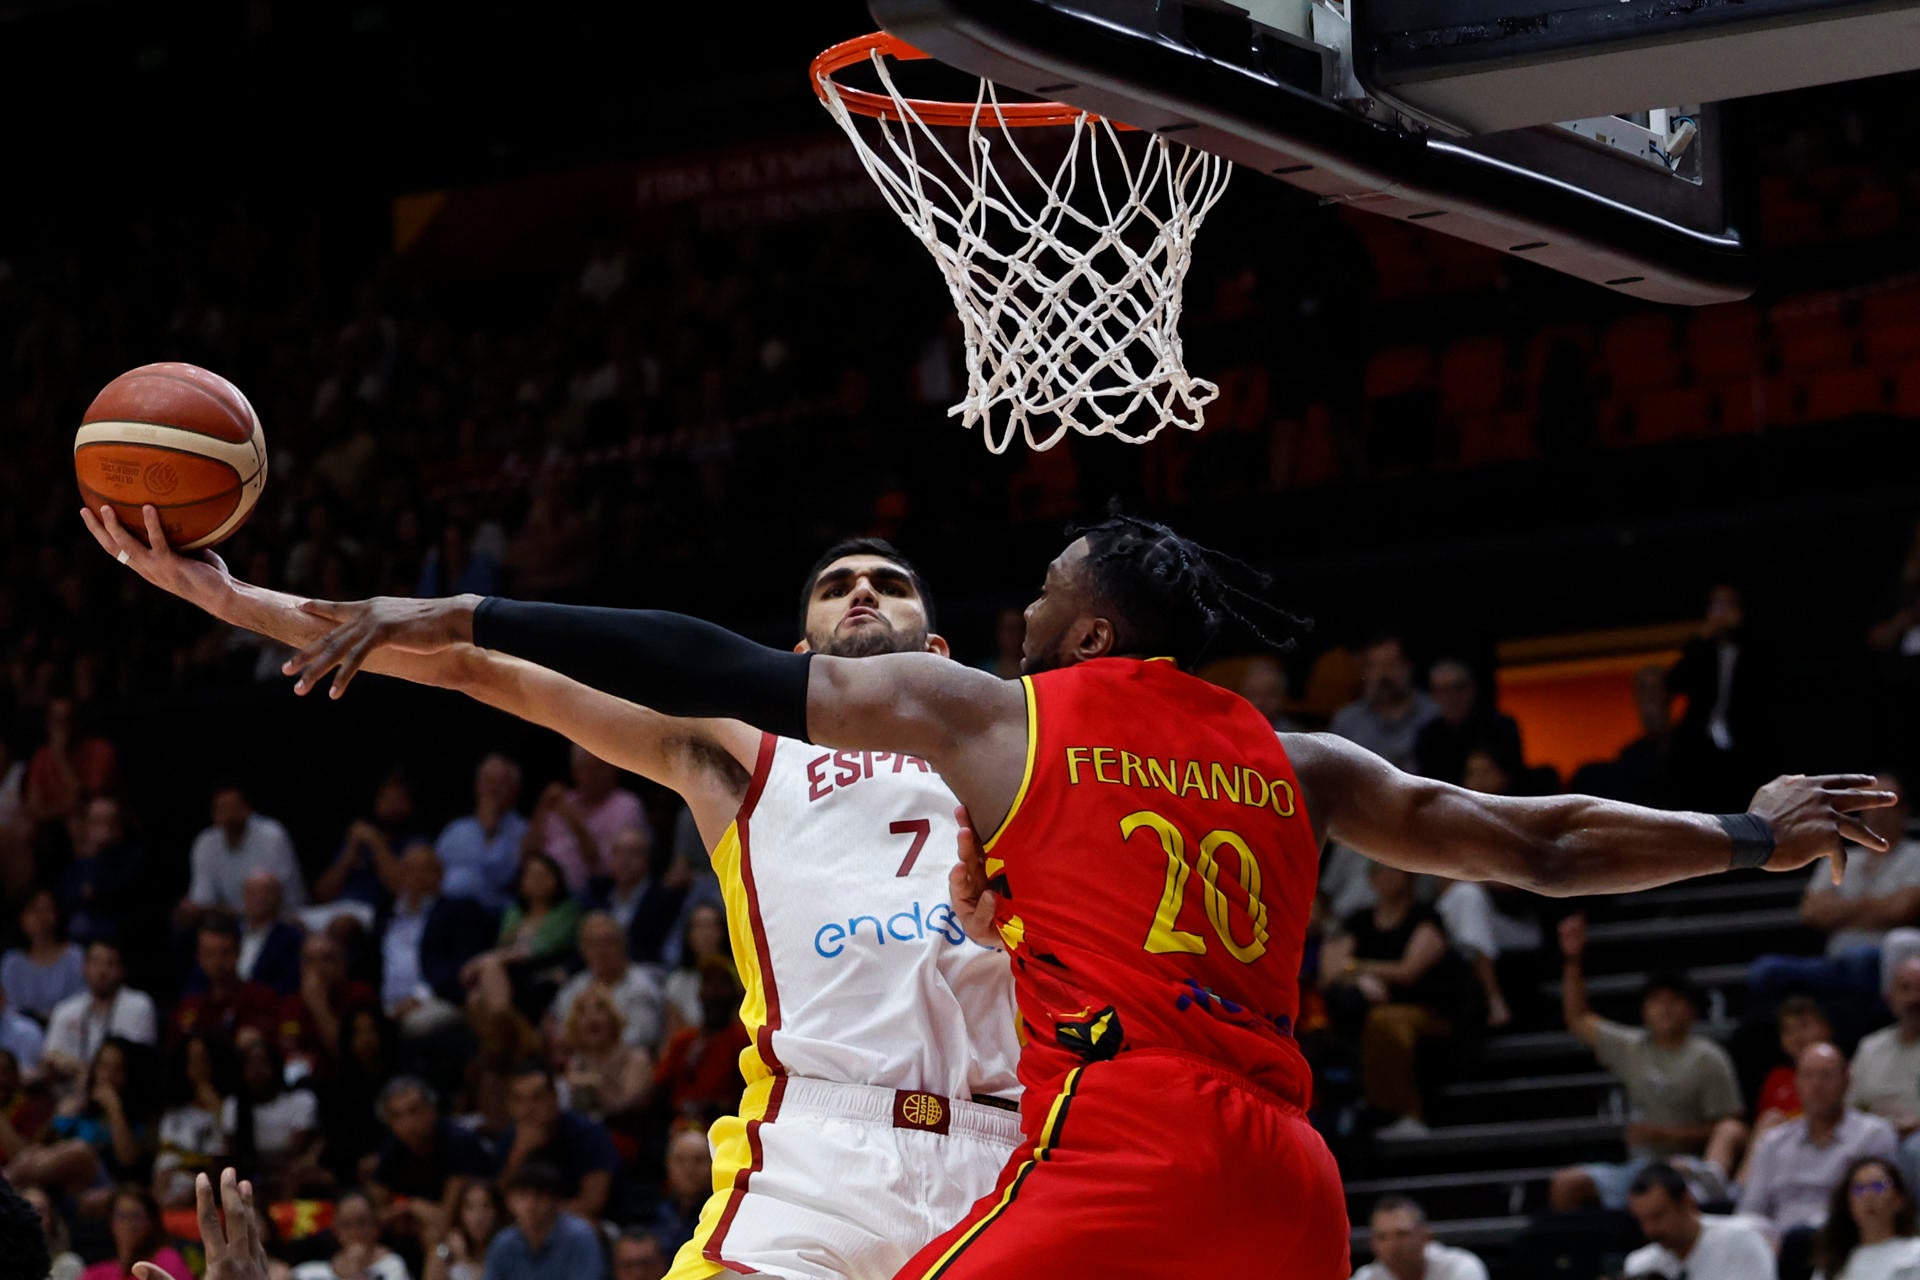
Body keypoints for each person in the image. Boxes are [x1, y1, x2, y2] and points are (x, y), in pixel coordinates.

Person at [274, 510, 1893, 1277]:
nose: (1021, 615)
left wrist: (457, 599)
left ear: (1089, 623)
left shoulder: (1011, 717)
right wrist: (1745, 837)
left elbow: (705, 664)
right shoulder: (1293, 751)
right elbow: (1534, 842)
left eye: (1040, 597)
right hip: (1293, 1176)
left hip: (1125, 1141)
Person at [90, 515, 1026, 1280]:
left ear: (940, 649)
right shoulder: (742, 752)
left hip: (1013, 1150)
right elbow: (478, 667)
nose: (862, 590)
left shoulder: (1018, 756)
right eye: (837, 587)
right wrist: (232, 600)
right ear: (795, 653)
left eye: (889, 584)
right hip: (821, 1152)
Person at [1549, 913, 1744, 1211]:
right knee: (1567, 1184)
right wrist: (1573, 959)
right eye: (1656, 1001)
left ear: (1691, 1010)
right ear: (1644, 1010)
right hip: (1639, 1166)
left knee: (1668, 1188)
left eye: (1673, 1001)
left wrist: (1668, 1135)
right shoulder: (1632, 1046)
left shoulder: (1708, 1058)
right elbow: (1578, 1019)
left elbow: (1732, 1128)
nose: (1664, 1009)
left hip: (1684, 1165)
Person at [1754, 772, 1920, 1040]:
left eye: (1886, 804)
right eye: (1869, 804)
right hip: (1832, 963)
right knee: (1767, 971)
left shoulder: (1915, 856)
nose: (1877, 813)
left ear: (1904, 811)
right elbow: (1810, 912)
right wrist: (1875, 906)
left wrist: (1841, 909)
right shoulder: (1837, 853)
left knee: (1860, 961)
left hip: (1881, 963)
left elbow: (1902, 910)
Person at [1321, 863, 1469, 1135]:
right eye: (1380, 872)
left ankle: (1408, 1112)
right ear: (1370, 880)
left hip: (1430, 1008)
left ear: (1408, 876)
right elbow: (1330, 970)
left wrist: (1358, 968)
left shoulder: (1425, 917)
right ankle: (1368, 1109)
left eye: (1393, 871)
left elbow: (1408, 971)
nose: (1387, 878)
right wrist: (1358, 978)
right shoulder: (1360, 920)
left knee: (1385, 1023)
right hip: (1372, 1010)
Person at [1744, 1044, 1900, 1280]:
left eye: (1827, 1075)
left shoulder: (1873, 1134)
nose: (1817, 1085)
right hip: (1775, 1248)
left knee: (1800, 1242)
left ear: (1847, 1081)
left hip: (1840, 1241)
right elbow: (1751, 1211)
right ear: (1797, 1083)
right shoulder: (1773, 1142)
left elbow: (1878, 1204)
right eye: (1808, 1076)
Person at [493, 1064, 619, 1225]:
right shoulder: (510, 1139)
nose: (527, 1109)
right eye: (519, 1100)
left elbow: (593, 1203)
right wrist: (519, 1154)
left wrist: (538, 1213)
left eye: (537, 1098)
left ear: (554, 1099)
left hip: (594, 1223)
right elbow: (495, 1202)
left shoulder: (588, 1134)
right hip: (529, 1224)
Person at [368, 1076, 494, 1235]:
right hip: (420, 1226)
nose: (407, 1123)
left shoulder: (459, 1142)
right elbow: (373, 1213)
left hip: (471, 1230)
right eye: (396, 1116)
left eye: (413, 1111)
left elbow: (447, 1219)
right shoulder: (393, 1146)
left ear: (431, 1110)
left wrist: (411, 1206)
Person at [1621, 1162, 1776, 1279]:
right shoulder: (1639, 1264)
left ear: (1687, 1202)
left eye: (1658, 1216)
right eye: (1642, 1220)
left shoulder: (1742, 1240)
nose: (1650, 1230)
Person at [525, 745, 647, 894]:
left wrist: (572, 818)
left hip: (597, 895)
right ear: (574, 771)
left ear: (615, 768)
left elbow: (606, 865)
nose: (592, 775)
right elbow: (528, 855)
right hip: (544, 895)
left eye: (599, 768)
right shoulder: (560, 800)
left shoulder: (626, 805)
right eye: (585, 768)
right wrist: (541, 809)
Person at [44, 940, 158, 1092]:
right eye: (95, 963)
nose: (101, 971)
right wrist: (78, 1069)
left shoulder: (139, 1006)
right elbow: (50, 1056)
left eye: (110, 964)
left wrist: (83, 1070)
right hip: (72, 1092)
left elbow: (138, 1063)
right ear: (84, 968)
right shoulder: (66, 1009)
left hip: (124, 1092)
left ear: (121, 970)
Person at [184, 782, 306, 919]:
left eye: (233, 808)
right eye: (222, 809)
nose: (228, 815)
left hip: (280, 917)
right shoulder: (205, 842)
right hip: (228, 918)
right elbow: (202, 899)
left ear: (247, 809)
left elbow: (276, 895)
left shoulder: (272, 835)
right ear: (213, 814)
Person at [548, 913, 665, 1052]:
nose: (600, 951)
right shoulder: (576, 985)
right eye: (591, 944)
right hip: (580, 1062)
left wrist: (591, 1043)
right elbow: (560, 1029)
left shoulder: (640, 986)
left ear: (622, 944)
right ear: (582, 950)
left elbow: (644, 1037)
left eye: (607, 942)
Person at [1855, 958, 1920, 1189]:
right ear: (1890, 998)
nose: (1914, 998)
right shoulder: (1869, 1048)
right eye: (1905, 989)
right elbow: (1850, 1109)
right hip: (1874, 1143)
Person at [1330, 634, 1438, 773]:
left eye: (1391, 664)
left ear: (1408, 667)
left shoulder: (1432, 716)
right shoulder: (1347, 721)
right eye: (1375, 666)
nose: (1383, 674)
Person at [434, 756, 527, 913]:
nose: (493, 789)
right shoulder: (456, 829)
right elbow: (433, 874)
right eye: (487, 781)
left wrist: (490, 832)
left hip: (487, 914)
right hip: (443, 908)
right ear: (477, 785)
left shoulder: (522, 831)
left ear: (514, 789)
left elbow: (501, 879)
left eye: (500, 783)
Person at [484, 1161, 605, 1280]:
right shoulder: (503, 1243)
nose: (530, 1205)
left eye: (539, 1197)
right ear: (509, 1202)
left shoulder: (580, 1237)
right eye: (522, 1196)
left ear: (554, 1201)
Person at [1412, 659, 1523, 787]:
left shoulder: (1501, 728)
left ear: (1472, 688)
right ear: (1432, 695)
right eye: (1442, 691)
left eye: (1457, 688)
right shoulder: (1428, 737)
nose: (1451, 697)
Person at [170, 917, 281, 1043]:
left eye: (225, 953)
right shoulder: (189, 1006)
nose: (217, 962)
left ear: (238, 952)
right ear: (198, 957)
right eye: (209, 954)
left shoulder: (263, 1000)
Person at [152, 1034, 230, 1209]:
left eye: (203, 1060)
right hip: (172, 1181)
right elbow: (166, 1157)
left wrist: (217, 1110)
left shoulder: (231, 1105)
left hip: (212, 1182)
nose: (198, 1068)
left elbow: (227, 1154)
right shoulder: (174, 1111)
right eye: (192, 1061)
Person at [1815, 1157, 1920, 1280]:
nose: (1868, 1196)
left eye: (1878, 1186)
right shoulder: (1832, 1262)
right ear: (1848, 1204)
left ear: (1899, 1200)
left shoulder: (1915, 1254)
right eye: (1859, 1189)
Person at [1351, 1196, 1488, 1280]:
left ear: (1425, 1237)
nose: (1392, 1245)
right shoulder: (1365, 1277)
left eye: (1402, 1234)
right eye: (1382, 1237)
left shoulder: (1461, 1266)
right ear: (1372, 1244)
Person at [1, 889, 84, 1021]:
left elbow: (81, 1003)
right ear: (21, 917)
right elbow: (9, 1009)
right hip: (24, 1036)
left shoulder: (75, 957)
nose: (41, 917)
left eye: (46, 909)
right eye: (34, 910)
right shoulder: (12, 962)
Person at [289, 1191, 408, 1280]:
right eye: (346, 1225)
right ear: (335, 1229)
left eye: (362, 1223)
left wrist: (356, 1271)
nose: (355, 1232)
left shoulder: (392, 1266)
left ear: (376, 1226)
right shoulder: (310, 1272)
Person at [85, 1185, 191, 1280]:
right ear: (111, 1222)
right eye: (122, 1216)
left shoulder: (166, 1260)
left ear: (150, 1222)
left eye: (135, 1216)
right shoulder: (96, 1273)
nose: (128, 1224)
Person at [423, 1182, 505, 1280]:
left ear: (496, 1211)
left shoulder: (505, 1252)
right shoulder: (443, 1253)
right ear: (460, 1212)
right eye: (470, 1207)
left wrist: (464, 1260)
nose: (478, 1217)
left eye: (486, 1206)